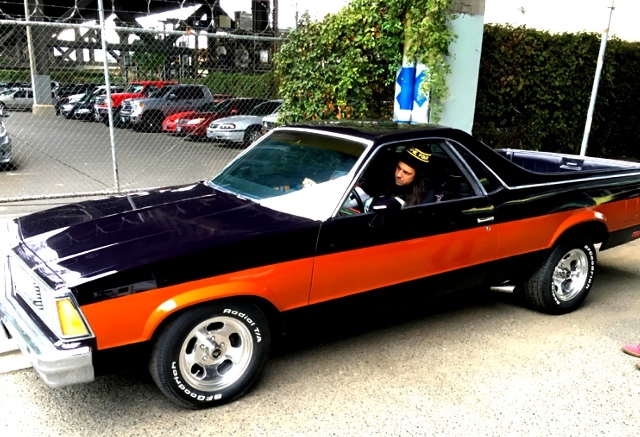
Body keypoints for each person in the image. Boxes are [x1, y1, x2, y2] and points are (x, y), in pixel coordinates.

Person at [365, 145, 441, 211]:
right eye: (398, 168)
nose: (398, 175)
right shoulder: (386, 177)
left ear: (418, 176)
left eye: (406, 172)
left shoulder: (426, 196)